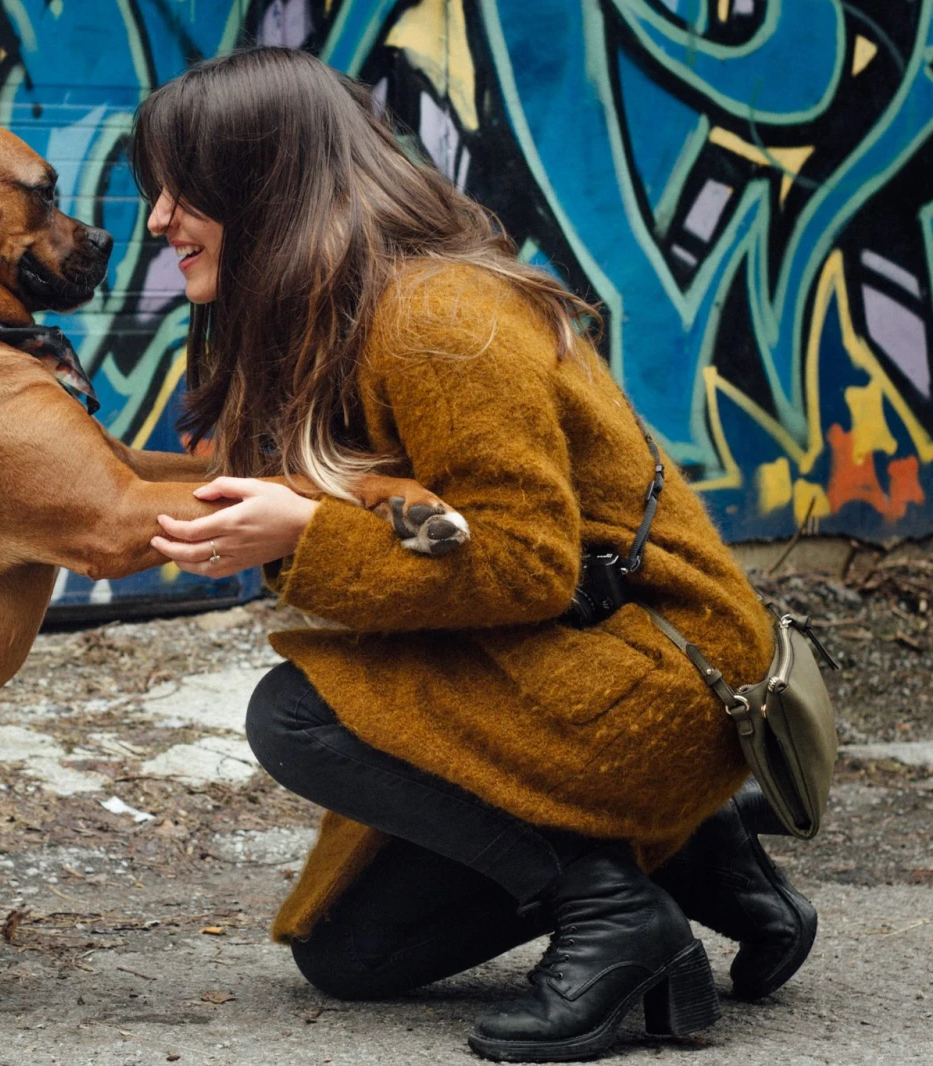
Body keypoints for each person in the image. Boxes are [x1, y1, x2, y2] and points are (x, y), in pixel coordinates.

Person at [129, 48, 816, 1062]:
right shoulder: (353, 316)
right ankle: (695, 858)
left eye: (181, 190)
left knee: (295, 713)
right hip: (572, 663)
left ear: (264, 184)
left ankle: (613, 908)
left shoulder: (438, 320)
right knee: (350, 959)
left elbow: (526, 565)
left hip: (660, 675)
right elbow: (440, 538)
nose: (158, 220)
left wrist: (308, 533)